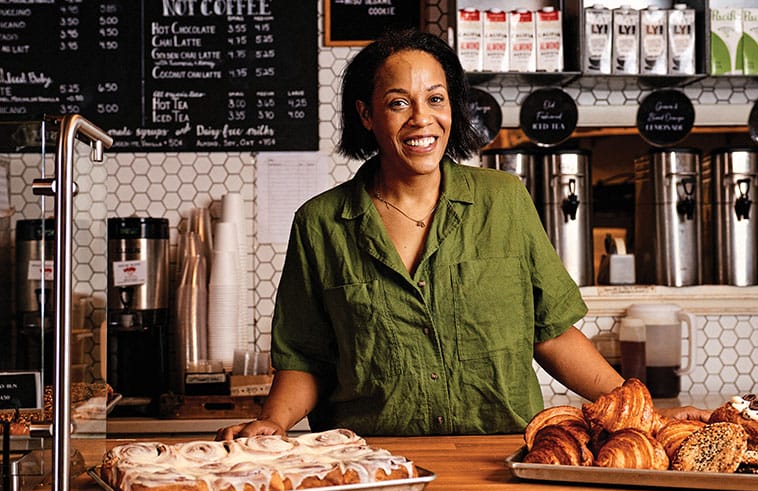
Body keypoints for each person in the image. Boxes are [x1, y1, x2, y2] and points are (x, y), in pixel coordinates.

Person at [216, 29, 708, 440]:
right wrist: (273, 422)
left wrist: (642, 417)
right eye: (398, 103)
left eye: (435, 99)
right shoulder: (321, 223)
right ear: (366, 115)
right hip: (369, 464)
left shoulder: (504, 200)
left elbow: (553, 333)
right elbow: (305, 357)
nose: (421, 119)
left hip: (499, 460)